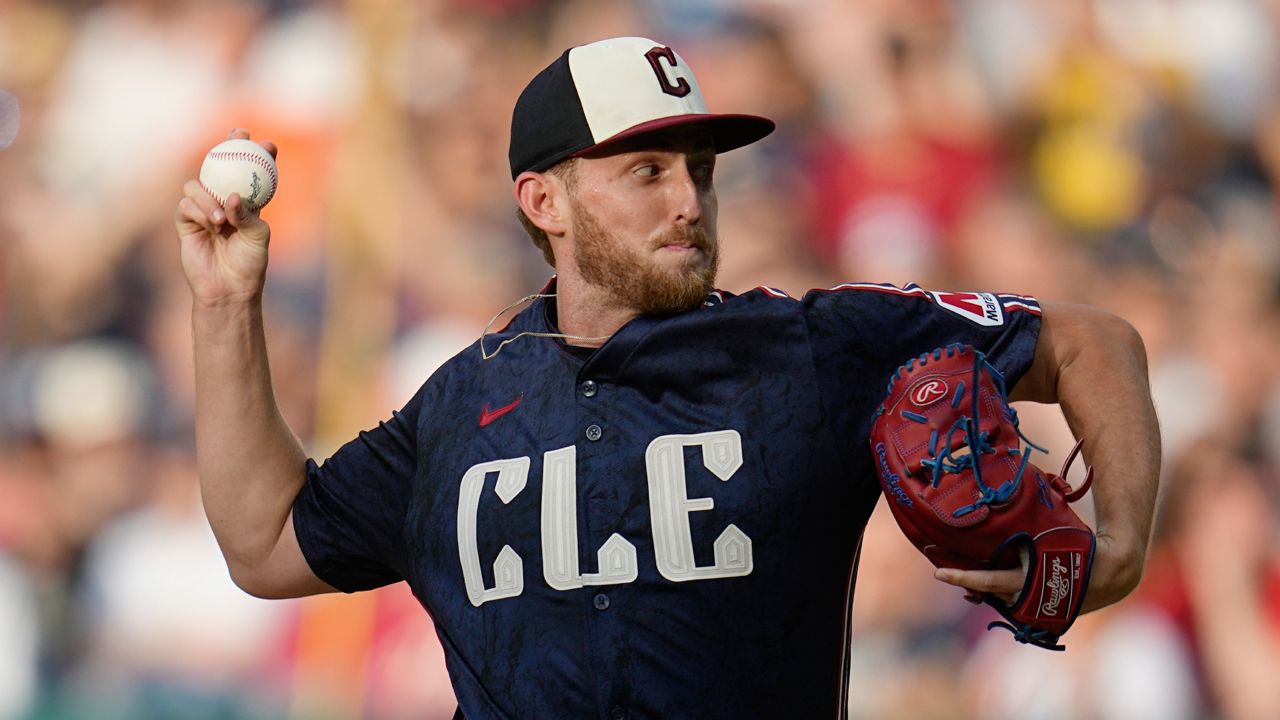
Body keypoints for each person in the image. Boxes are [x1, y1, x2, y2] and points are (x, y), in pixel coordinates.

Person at [174, 36, 1160, 719]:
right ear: (543, 199)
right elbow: (267, 545)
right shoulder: (461, 404)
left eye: (699, 167)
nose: (687, 198)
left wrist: (1114, 546)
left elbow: (1090, 341)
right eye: (645, 170)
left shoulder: (816, 347)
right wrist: (224, 308)